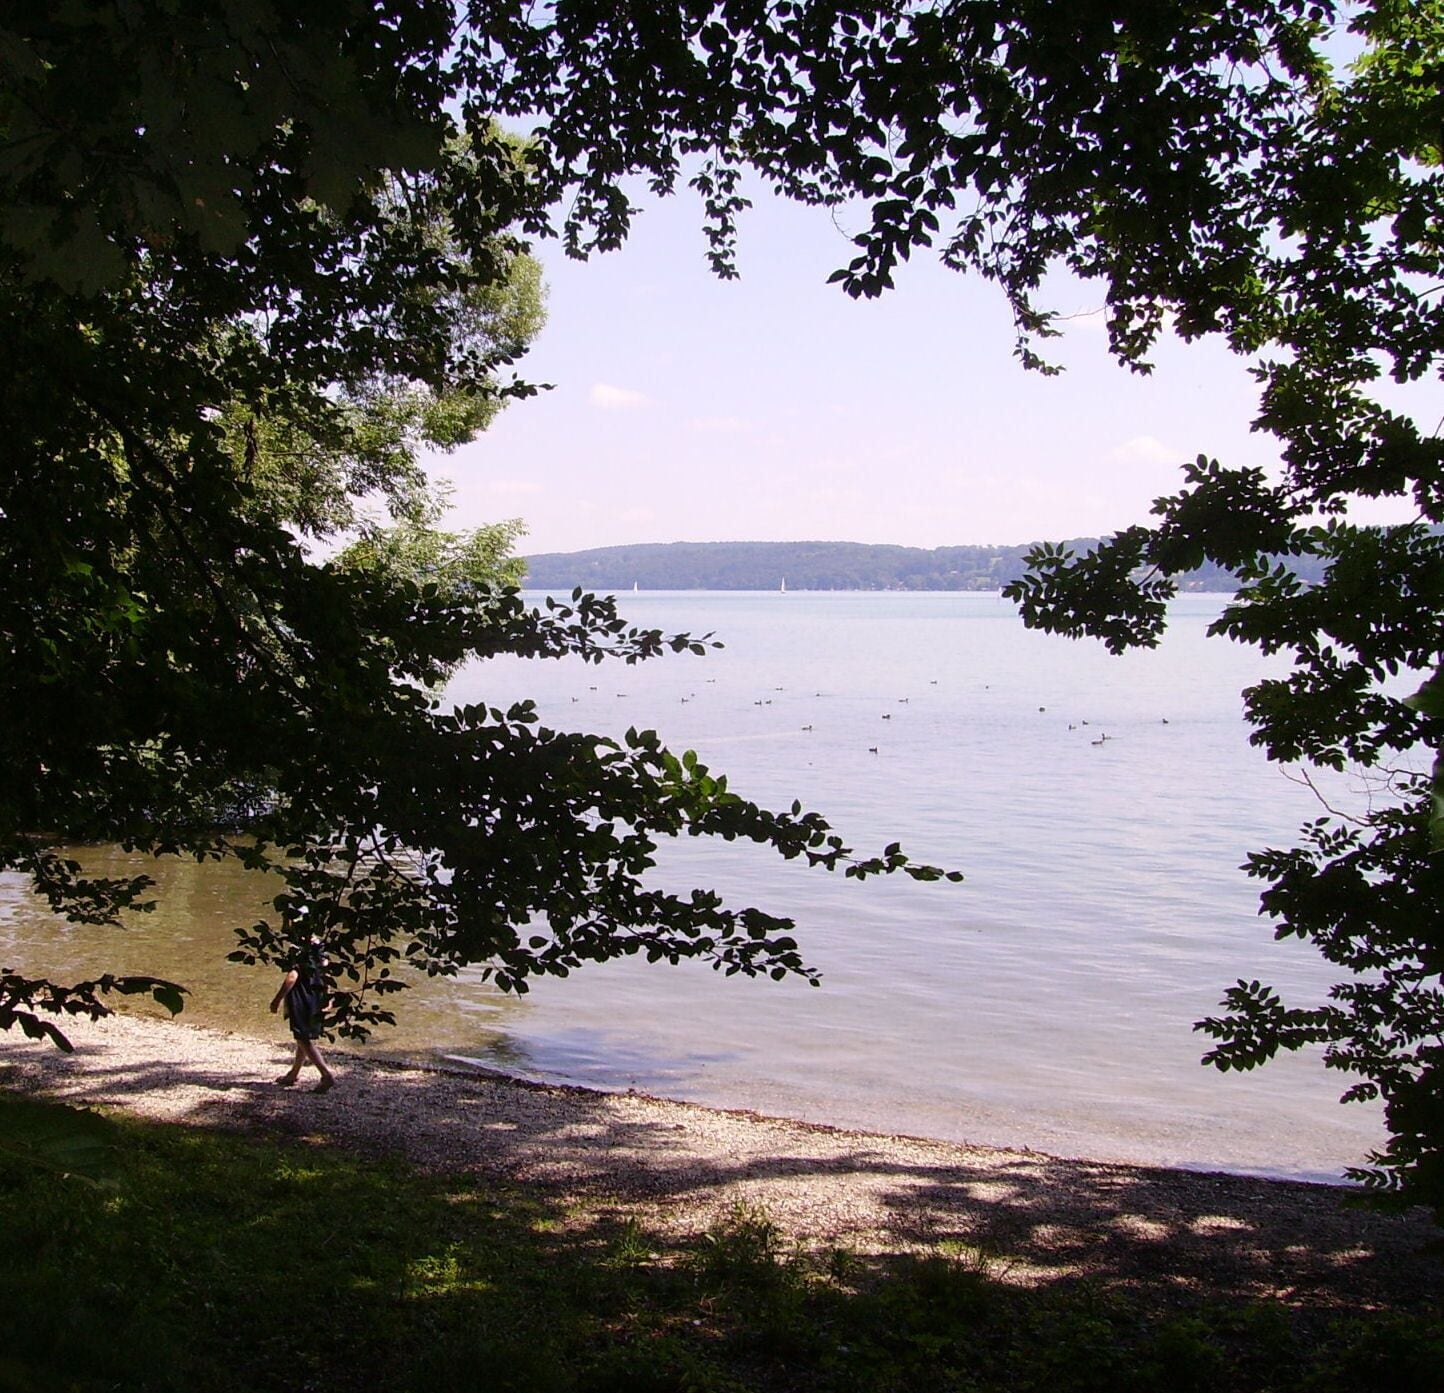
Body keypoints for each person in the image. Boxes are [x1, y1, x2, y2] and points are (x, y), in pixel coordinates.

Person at [270, 932, 336, 1093]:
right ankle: (294, 1073)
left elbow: (292, 976)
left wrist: (277, 999)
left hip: (302, 996)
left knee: (301, 1036)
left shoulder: (298, 947)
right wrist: (329, 996)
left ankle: (326, 1075)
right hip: (317, 994)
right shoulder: (320, 945)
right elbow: (327, 970)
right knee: (303, 1036)